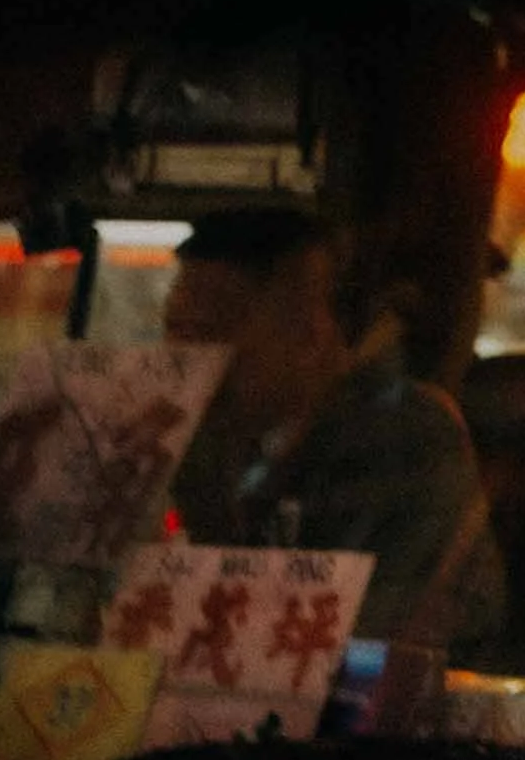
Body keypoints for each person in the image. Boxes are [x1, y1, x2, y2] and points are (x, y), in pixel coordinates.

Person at [163, 204, 504, 653]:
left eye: (209, 334)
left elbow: (370, 633)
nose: (182, 359)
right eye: (173, 330)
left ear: (307, 336)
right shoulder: (203, 443)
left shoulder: (405, 440)